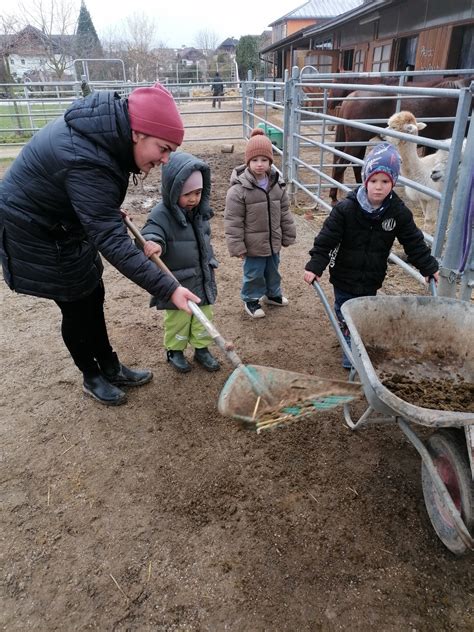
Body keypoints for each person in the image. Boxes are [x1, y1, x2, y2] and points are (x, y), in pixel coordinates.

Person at [0, 82, 200, 406]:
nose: (165, 159)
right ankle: (91, 377)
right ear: (139, 133)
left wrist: (97, 207)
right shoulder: (87, 158)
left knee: (93, 293)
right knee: (75, 305)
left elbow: (88, 194)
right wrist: (169, 288)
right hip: (36, 231)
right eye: (163, 148)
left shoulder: (107, 136)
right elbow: (111, 240)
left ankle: (109, 365)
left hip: (64, 222)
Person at [303, 142, 439, 368]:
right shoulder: (346, 209)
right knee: (346, 313)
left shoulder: (397, 212)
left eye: (385, 181)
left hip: (372, 277)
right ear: (365, 180)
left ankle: (355, 339)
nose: (378, 187)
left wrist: (428, 267)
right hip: (344, 276)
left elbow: (413, 242)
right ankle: (351, 353)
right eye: (373, 181)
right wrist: (315, 266)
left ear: (393, 182)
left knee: (363, 313)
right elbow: (326, 240)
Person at [140, 152, 220, 373]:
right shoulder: (162, 214)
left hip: (202, 277)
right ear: (173, 190)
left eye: (198, 193)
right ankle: (174, 351)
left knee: (204, 317)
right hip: (178, 281)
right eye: (187, 194)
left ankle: (202, 349)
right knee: (178, 320)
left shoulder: (200, 213)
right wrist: (154, 243)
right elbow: (152, 231)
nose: (193, 199)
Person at [224, 128, 296, 319]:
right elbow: (233, 221)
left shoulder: (277, 185)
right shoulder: (238, 190)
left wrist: (288, 234)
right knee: (254, 273)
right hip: (252, 244)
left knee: (273, 270)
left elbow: (284, 212)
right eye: (255, 160)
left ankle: (272, 294)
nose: (259, 164)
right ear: (247, 161)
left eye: (264, 160)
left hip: (273, 240)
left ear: (271, 161)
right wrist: (237, 246)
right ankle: (251, 300)